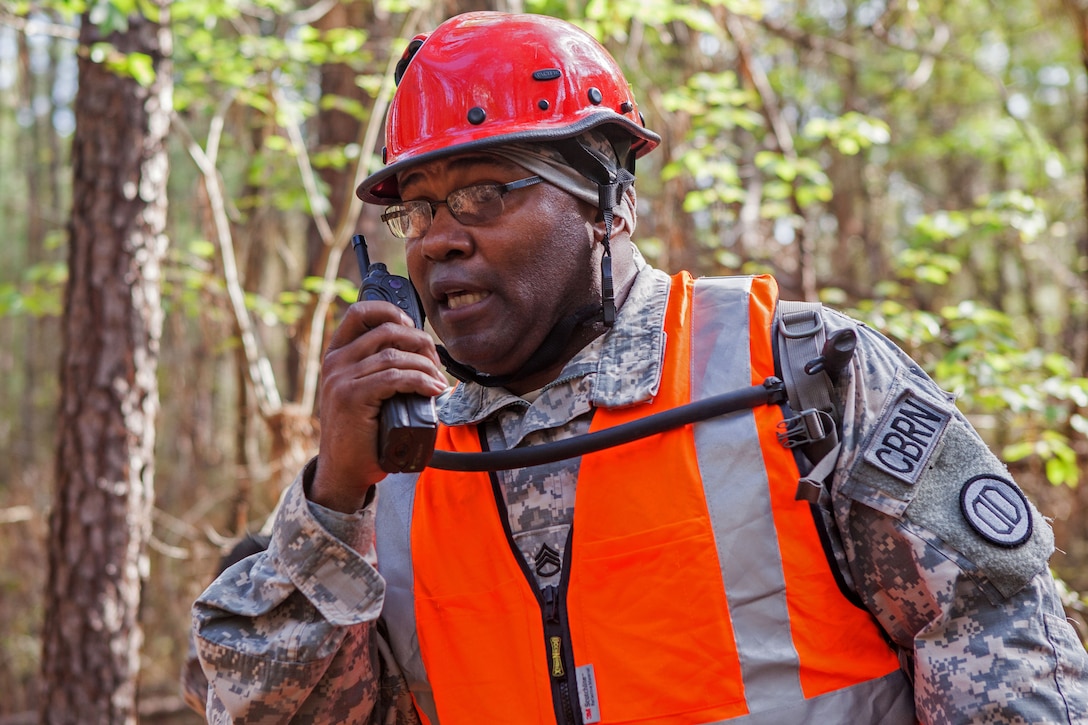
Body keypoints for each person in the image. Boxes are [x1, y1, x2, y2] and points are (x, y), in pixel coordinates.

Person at [189, 11, 1088, 724]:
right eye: (417, 212)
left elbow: (1005, 650)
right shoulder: (394, 466)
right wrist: (333, 497)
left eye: (484, 193)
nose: (443, 239)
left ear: (608, 201)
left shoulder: (800, 375)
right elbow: (270, 711)